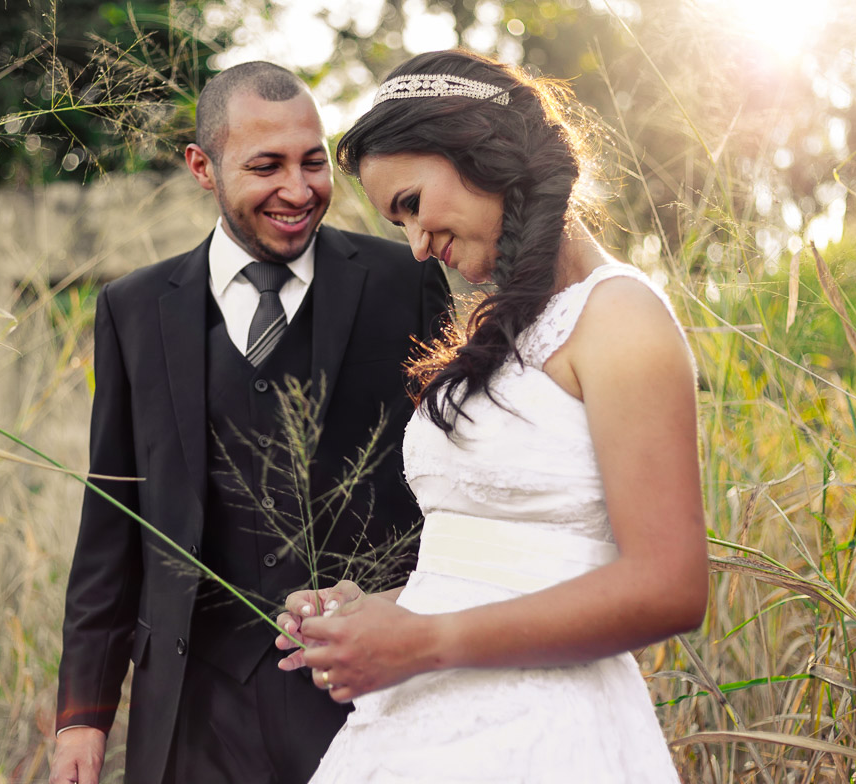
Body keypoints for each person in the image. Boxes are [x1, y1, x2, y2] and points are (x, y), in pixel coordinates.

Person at [274, 49, 708, 782]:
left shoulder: (621, 317)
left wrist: (424, 641)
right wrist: (373, 611)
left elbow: (669, 586)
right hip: (419, 727)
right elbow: (495, 559)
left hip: (543, 734)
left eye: (411, 203)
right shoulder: (497, 334)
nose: (414, 246)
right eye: (395, 222)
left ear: (477, 148)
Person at [50, 62, 451, 784]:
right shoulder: (134, 309)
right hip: (192, 708)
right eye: (266, 166)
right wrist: (83, 713)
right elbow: (111, 520)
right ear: (202, 167)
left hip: (366, 698)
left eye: (313, 162)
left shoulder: (407, 281)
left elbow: (457, 485)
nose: (298, 191)